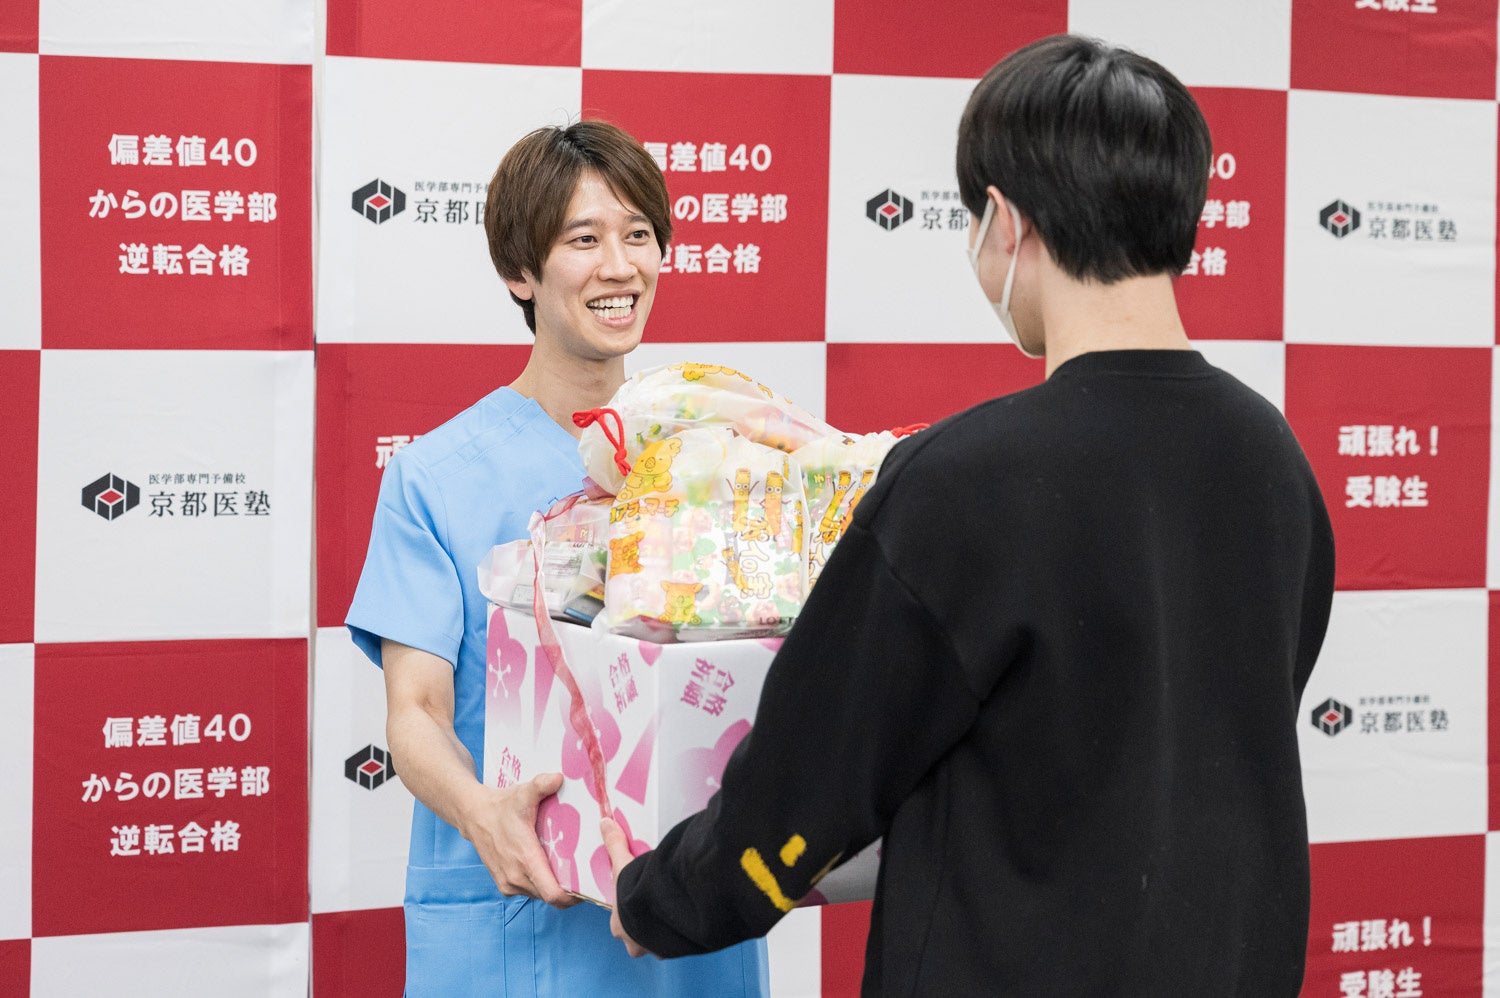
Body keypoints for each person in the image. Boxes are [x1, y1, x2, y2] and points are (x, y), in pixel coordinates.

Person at [605, 34, 1336, 996]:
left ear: (1006, 221)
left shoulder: (966, 481)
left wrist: (657, 900)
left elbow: (808, 783)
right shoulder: (1273, 459)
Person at [346, 120, 770, 997]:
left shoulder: (717, 457)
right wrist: (483, 815)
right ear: (521, 271)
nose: (620, 267)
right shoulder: (436, 478)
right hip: (523, 916)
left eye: (638, 235)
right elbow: (416, 711)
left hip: (691, 917)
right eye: (584, 240)